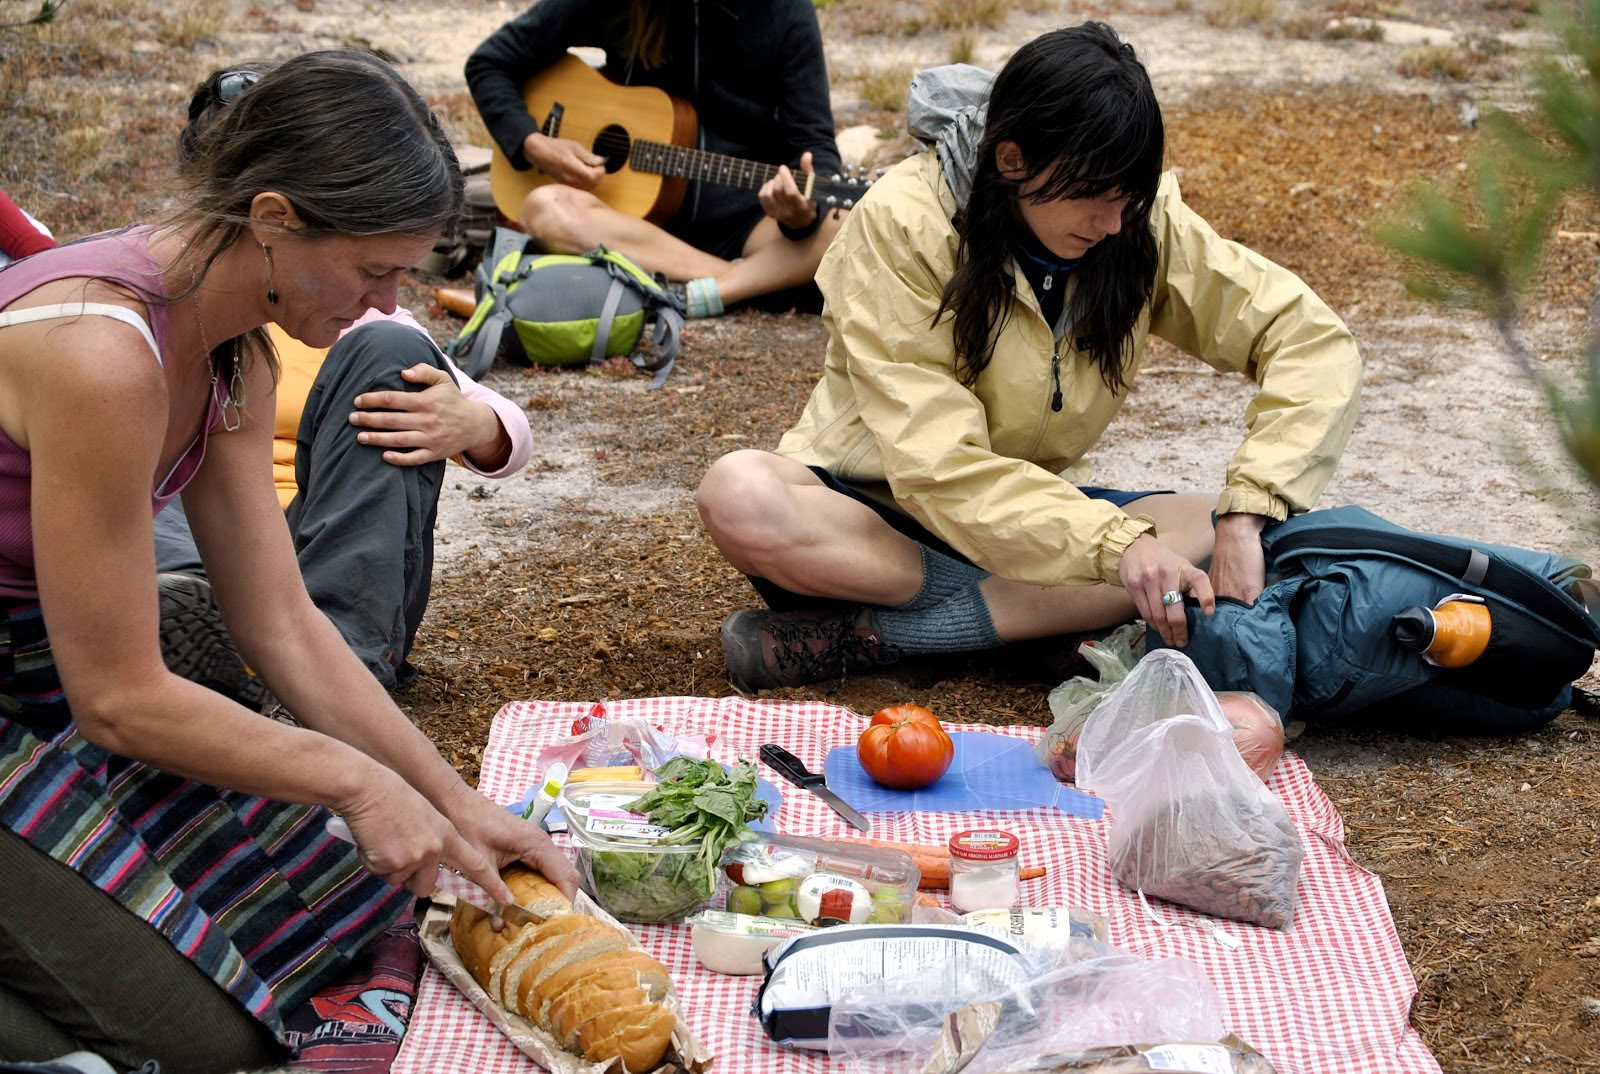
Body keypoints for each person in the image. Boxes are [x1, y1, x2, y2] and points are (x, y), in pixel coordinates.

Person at [0, 51, 577, 1073]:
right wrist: (351, 780)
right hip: (61, 692)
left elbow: (281, 623)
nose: (384, 302)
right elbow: (121, 701)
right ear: (272, 216)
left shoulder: (236, 347)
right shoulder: (100, 352)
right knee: (200, 1038)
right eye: (372, 270)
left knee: (344, 904)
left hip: (43, 671)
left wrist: (456, 802)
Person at [695, 23, 1363, 692]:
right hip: (875, 518)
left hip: (1036, 522)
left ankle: (892, 637)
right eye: (1095, 196)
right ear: (1011, 160)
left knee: (1217, 528)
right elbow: (939, 469)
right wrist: (1115, 547)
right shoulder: (904, 222)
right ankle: (1024, 622)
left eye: (1128, 199)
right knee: (742, 495)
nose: (1113, 224)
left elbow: (1309, 337)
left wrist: (1249, 510)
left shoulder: (1133, 218)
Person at [153, 64, 535, 702]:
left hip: (316, 550)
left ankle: (335, 674)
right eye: (372, 270)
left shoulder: (364, 320)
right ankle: (198, 633)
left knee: (394, 352)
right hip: (198, 547)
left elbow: (505, 428)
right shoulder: (174, 312)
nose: (381, 296)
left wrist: (476, 425)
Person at [465, 0, 846, 319]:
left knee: (846, 221)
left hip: (747, 222)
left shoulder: (784, 9)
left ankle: (704, 288)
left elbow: (814, 142)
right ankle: (744, 282)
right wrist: (534, 144)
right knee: (544, 208)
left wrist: (803, 213)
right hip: (633, 224)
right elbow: (490, 63)